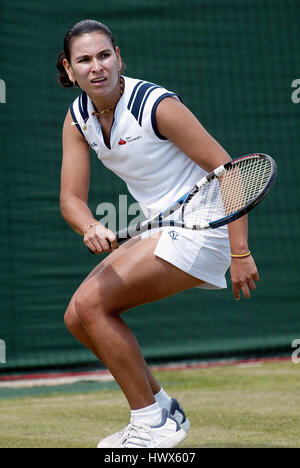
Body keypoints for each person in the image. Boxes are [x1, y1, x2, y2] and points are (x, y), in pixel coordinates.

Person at [57, 19, 259, 448]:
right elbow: (70, 199)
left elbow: (231, 173)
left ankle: (150, 423)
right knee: (77, 318)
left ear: (118, 57)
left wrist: (240, 252)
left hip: (209, 228)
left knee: (93, 304)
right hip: (165, 228)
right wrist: (90, 227)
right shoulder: (77, 120)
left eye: (104, 55)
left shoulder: (155, 104)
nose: (97, 67)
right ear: (70, 69)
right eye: (85, 60)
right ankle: (163, 408)